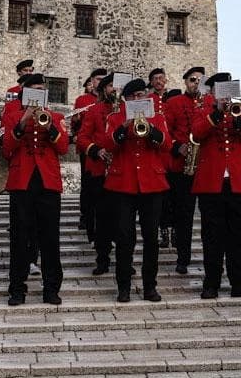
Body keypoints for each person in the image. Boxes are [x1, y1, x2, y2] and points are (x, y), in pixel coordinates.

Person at [191, 72, 241, 299]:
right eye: (221, 91)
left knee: (237, 236)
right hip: (211, 182)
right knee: (212, 236)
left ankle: (238, 283)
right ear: (212, 92)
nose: (226, 96)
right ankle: (211, 283)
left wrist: (239, 122)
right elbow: (197, 134)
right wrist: (217, 113)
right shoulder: (203, 111)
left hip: (237, 182)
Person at [1, 73, 69, 305]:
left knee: (50, 237)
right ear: (24, 93)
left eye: (42, 90)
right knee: (20, 237)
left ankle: (51, 288)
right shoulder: (11, 116)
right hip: (22, 181)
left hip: (48, 182)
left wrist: (49, 126)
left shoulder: (56, 115)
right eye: (34, 90)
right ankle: (17, 288)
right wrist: (23, 120)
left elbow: (62, 147)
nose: (38, 93)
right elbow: (7, 149)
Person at [103, 78, 170, 303]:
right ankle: (124, 287)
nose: (141, 98)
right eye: (136, 96)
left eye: (143, 94)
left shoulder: (157, 117)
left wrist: (150, 128)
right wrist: (125, 126)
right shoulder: (114, 118)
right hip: (124, 184)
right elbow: (108, 144)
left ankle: (150, 286)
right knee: (124, 238)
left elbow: (167, 145)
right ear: (127, 99)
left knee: (151, 238)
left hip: (152, 183)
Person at [164, 67, 205, 274]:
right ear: (185, 82)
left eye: (199, 80)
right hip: (182, 167)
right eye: (192, 80)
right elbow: (165, 131)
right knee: (184, 215)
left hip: (205, 167)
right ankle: (183, 258)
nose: (195, 83)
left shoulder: (209, 104)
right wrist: (176, 146)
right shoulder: (173, 103)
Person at [77, 72, 118, 275]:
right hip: (100, 171)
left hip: (122, 173)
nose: (114, 90)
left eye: (116, 86)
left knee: (122, 220)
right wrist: (97, 150)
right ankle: (102, 259)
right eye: (110, 86)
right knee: (101, 219)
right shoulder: (94, 111)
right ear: (103, 90)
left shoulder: (128, 112)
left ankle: (123, 258)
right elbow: (82, 138)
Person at [73, 68, 106, 235]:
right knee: (87, 185)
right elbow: (76, 126)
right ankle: (85, 216)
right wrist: (77, 120)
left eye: (103, 79)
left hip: (105, 149)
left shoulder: (109, 101)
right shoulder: (82, 99)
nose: (100, 82)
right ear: (92, 81)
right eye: (98, 79)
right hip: (89, 148)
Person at [147, 68, 175, 249]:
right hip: (154, 154)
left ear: (165, 80)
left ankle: (168, 229)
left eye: (161, 78)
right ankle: (157, 229)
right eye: (155, 78)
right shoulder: (148, 99)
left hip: (169, 154)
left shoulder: (172, 99)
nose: (158, 81)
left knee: (170, 197)